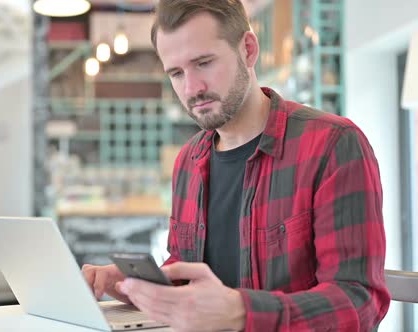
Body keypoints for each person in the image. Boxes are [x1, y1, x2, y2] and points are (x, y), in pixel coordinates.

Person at [82, 0, 391, 330]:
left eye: (204, 63)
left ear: (248, 49)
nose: (192, 88)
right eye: (176, 73)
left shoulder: (333, 145)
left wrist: (241, 312)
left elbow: (360, 301)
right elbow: (191, 272)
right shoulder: (189, 161)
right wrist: (141, 284)